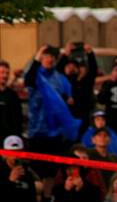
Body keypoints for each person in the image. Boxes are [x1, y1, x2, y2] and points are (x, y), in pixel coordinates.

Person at [24, 45, 80, 188]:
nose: (49, 59)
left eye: (52, 57)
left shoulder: (59, 78)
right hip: (37, 131)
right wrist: (38, 54)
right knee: (36, 170)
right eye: (46, 56)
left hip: (55, 132)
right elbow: (29, 79)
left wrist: (67, 98)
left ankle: (50, 199)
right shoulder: (35, 75)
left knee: (53, 171)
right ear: (41, 58)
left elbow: (63, 97)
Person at [57, 42, 97, 123]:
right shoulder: (68, 80)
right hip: (69, 114)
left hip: (84, 116)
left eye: (75, 67)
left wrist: (90, 53)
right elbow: (58, 71)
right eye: (70, 67)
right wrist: (65, 54)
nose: (72, 69)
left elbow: (93, 69)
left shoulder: (87, 81)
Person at [0, 60, 23, 141]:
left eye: (7, 73)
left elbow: (18, 119)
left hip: (10, 141)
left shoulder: (13, 95)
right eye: (2, 72)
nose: (5, 75)